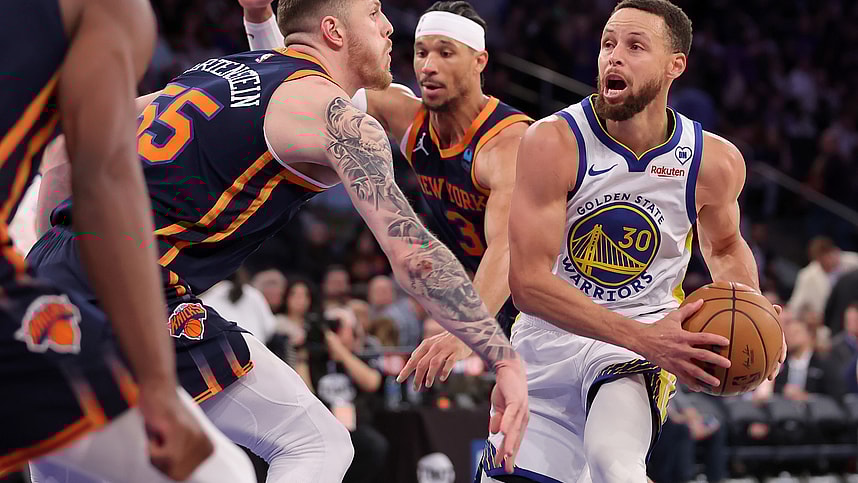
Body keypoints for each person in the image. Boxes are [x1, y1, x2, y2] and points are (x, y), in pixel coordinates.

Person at [31, 0, 528, 479]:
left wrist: (54, 255)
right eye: (375, 13)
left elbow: (62, 145)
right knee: (315, 443)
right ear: (334, 31)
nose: (389, 28)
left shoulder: (218, 71)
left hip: (43, 279)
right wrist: (498, 355)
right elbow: (411, 254)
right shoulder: (344, 121)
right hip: (127, 291)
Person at [479, 1, 784, 481]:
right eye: (607, 44)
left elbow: (724, 247)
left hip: (637, 346)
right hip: (548, 339)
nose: (613, 57)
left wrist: (755, 309)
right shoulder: (552, 142)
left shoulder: (713, 161)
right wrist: (649, 339)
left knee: (614, 461)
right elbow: (528, 284)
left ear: (674, 66)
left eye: (634, 46)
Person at [1, 0, 253, 481]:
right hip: (53, 269)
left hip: (46, 261)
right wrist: (156, 386)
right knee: (218, 473)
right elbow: (103, 184)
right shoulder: (107, 10)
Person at [241, 0, 533, 387]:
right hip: (497, 300)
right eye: (421, 52)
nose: (429, 66)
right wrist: (259, 17)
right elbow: (301, 78)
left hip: (551, 291)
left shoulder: (506, 142)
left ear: (479, 61)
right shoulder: (407, 115)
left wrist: (466, 330)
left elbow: (508, 248)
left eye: (446, 53)